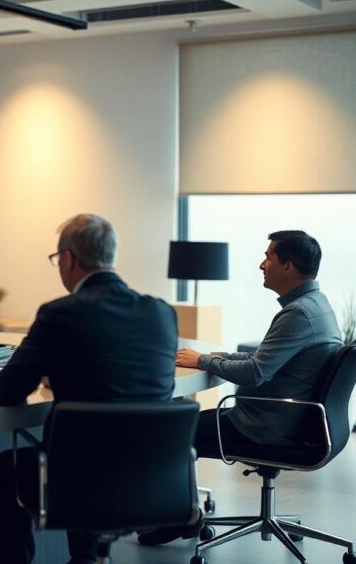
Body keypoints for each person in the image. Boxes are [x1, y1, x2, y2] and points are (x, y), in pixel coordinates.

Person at [0, 214, 179, 564]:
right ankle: (87, 557)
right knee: (92, 448)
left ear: (67, 259)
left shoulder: (59, 314)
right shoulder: (161, 312)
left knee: (9, 466)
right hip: (152, 475)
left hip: (79, 480)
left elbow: (8, 392)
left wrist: (50, 367)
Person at [139, 230, 342, 545]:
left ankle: (183, 517)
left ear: (288, 266)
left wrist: (203, 360)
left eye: (269, 258)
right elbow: (265, 358)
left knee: (172, 430)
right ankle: (182, 512)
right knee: (181, 423)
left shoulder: (298, 313)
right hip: (289, 420)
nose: (262, 265)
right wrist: (217, 356)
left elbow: (255, 372)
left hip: (265, 426)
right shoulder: (315, 304)